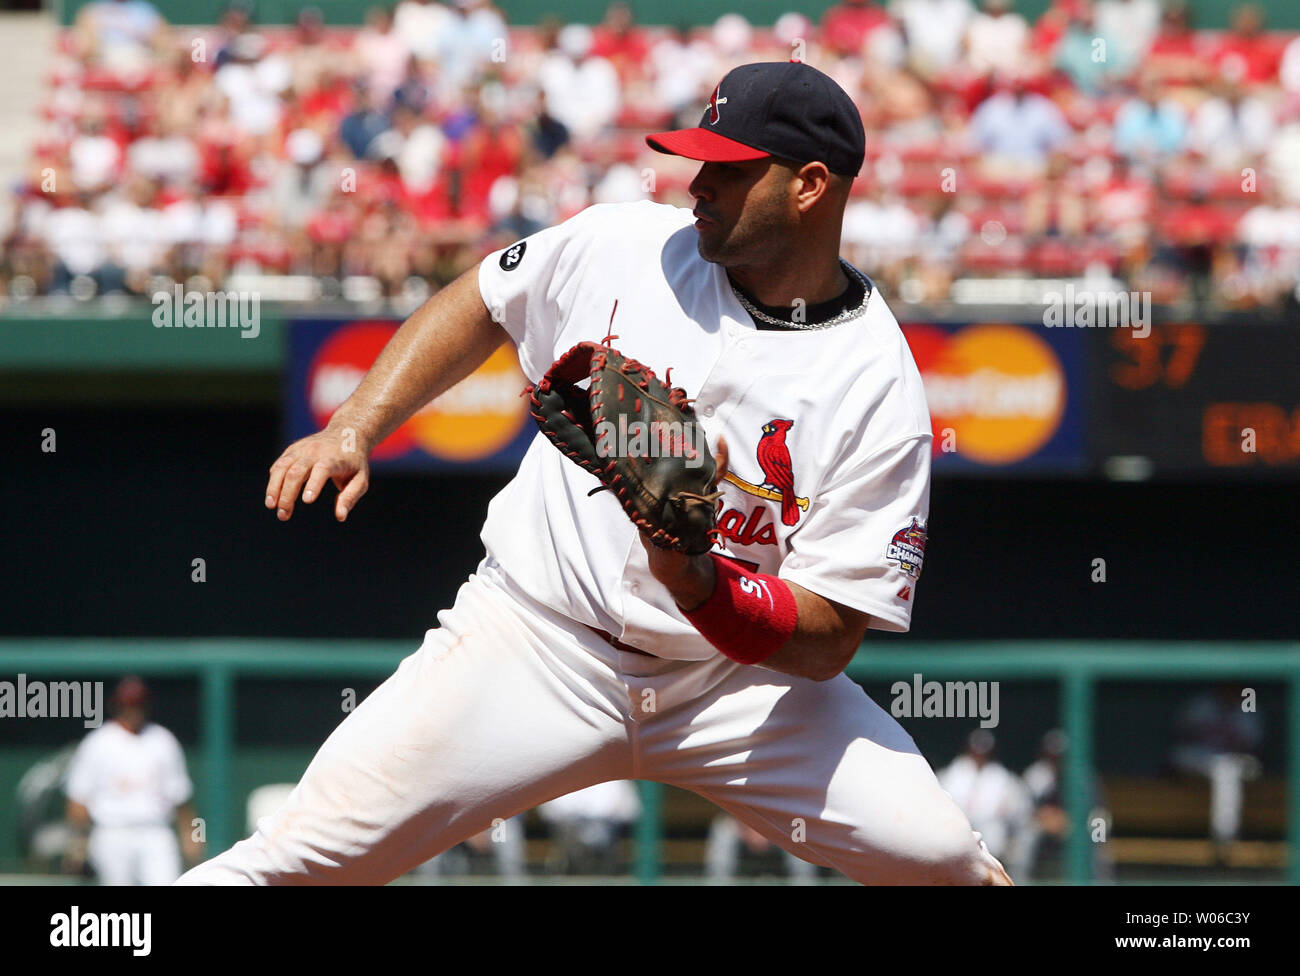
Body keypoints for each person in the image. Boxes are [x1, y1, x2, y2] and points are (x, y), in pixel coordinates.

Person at [178, 60, 1012, 886]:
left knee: (945, 863)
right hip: (537, 640)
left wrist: (695, 584)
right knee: (293, 862)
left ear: (810, 186)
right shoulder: (625, 244)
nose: (698, 184)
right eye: (697, 160)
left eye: (729, 169)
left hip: (737, 690)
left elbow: (830, 637)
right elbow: (480, 299)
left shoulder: (878, 385)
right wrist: (356, 426)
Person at [64, 677, 202, 885]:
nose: (132, 710)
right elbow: (79, 799)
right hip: (112, 831)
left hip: (155, 831)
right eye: (127, 704)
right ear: (115, 705)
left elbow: (180, 797)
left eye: (138, 704)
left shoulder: (162, 740)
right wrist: (77, 844)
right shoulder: (98, 742)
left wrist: (193, 837)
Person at [936, 730, 1031, 865]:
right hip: (956, 827)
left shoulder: (1004, 778)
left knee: (996, 835)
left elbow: (1019, 812)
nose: (980, 754)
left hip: (992, 830)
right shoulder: (949, 774)